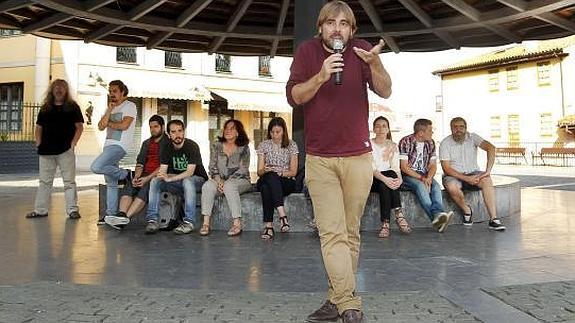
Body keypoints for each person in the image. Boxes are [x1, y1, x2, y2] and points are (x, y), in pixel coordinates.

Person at [286, 1, 392, 322]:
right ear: (321, 27)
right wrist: (320, 76)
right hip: (320, 160)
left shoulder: (362, 51)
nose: (337, 28)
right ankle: (349, 304)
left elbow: (386, 91)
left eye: (344, 24)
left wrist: (376, 65)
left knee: (350, 233)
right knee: (332, 233)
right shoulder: (307, 52)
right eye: (331, 22)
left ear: (352, 30)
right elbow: (295, 96)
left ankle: (336, 299)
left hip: (359, 158)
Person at [26, 79, 84, 219]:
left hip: (65, 150)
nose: (58, 90)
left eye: (62, 87)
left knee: (69, 181)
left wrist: (73, 143)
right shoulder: (46, 107)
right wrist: (38, 143)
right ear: (52, 90)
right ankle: (40, 210)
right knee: (44, 182)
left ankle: (72, 210)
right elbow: (38, 128)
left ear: (66, 90)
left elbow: (79, 127)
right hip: (46, 151)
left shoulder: (72, 107)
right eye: (56, 87)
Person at [439, 117, 506, 231]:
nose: (458, 129)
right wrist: (466, 178)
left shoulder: (473, 137)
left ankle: (493, 219)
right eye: (455, 127)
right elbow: (446, 169)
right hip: (454, 175)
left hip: (473, 172)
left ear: (466, 128)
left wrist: (488, 171)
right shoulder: (445, 143)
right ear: (451, 129)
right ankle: (467, 210)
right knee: (451, 186)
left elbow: (490, 148)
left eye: (461, 127)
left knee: (487, 180)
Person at [104, 114, 170, 229]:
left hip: (158, 175)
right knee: (130, 185)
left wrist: (147, 178)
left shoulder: (168, 143)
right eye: (151, 127)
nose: (153, 129)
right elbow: (140, 162)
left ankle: (125, 219)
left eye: (156, 126)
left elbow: (164, 165)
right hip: (144, 174)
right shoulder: (146, 143)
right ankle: (121, 214)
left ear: (162, 127)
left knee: (145, 188)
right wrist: (137, 176)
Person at [144, 119, 208, 234]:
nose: (177, 135)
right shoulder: (166, 147)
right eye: (173, 132)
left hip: (198, 181)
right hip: (178, 181)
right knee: (155, 181)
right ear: (168, 134)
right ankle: (152, 220)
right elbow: (163, 171)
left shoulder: (192, 146)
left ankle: (189, 222)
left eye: (180, 131)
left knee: (187, 181)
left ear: (184, 132)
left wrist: (171, 178)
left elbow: (190, 172)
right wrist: (163, 176)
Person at [91, 80, 137, 224]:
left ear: (123, 92)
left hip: (120, 145)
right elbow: (100, 126)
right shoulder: (109, 108)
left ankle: (126, 174)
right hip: (108, 145)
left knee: (96, 167)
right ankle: (109, 215)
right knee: (111, 182)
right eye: (110, 91)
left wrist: (108, 123)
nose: (112, 94)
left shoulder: (130, 106)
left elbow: (124, 125)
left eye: (115, 91)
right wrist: (109, 110)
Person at [398, 119, 453, 233]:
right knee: (420, 186)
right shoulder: (405, 141)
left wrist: (428, 178)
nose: (432, 132)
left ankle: (438, 216)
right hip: (407, 176)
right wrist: (422, 179)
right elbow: (404, 167)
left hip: (424, 175)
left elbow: (433, 165)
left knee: (436, 186)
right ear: (421, 133)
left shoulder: (430, 143)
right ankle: (436, 218)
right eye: (430, 130)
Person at [199, 119, 251, 237]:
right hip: (219, 180)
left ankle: (237, 223)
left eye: (232, 128)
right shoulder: (216, 146)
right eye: (226, 128)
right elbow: (212, 167)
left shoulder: (244, 148)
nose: (227, 130)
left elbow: (243, 169)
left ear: (238, 132)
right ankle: (206, 223)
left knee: (230, 185)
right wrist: (218, 180)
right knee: (207, 186)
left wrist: (226, 182)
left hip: (240, 180)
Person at [256, 117, 299, 240]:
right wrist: (266, 169)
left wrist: (279, 173)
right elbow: (259, 172)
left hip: (286, 181)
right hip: (266, 176)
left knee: (266, 187)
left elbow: (293, 172)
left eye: (278, 132)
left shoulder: (291, 145)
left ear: (283, 131)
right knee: (269, 177)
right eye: (272, 132)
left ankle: (269, 227)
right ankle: (282, 216)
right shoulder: (264, 145)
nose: (275, 135)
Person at [370, 116, 411, 238]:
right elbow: (372, 168)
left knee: (387, 183)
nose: (381, 129)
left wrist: (400, 179)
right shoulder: (369, 144)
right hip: (373, 179)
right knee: (386, 181)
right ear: (373, 129)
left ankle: (386, 223)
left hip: (387, 180)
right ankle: (399, 214)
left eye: (384, 126)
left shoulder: (392, 145)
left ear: (388, 129)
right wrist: (386, 179)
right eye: (378, 126)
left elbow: (395, 167)